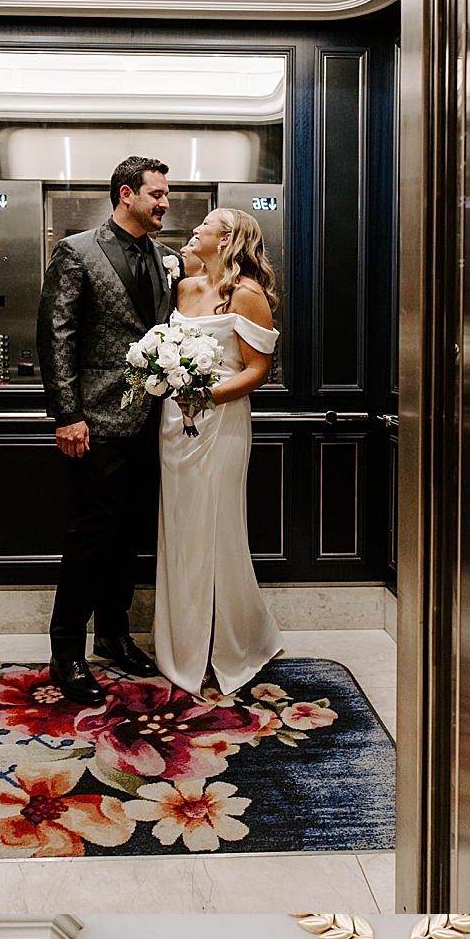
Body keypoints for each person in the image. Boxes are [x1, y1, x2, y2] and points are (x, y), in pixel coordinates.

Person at [38, 155, 180, 706]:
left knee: (130, 536)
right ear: (126, 194)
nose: (165, 203)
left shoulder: (167, 259)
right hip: (94, 420)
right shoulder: (77, 251)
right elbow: (56, 336)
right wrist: (67, 414)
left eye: (166, 195)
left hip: (154, 419)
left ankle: (115, 636)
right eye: (157, 194)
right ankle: (66, 652)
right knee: (92, 536)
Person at [153, 210, 283, 696]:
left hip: (221, 423)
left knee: (217, 527)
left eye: (204, 225)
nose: (194, 230)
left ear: (225, 237)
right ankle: (182, 645)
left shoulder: (246, 294)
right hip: (174, 424)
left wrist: (206, 397)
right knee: (181, 529)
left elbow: (256, 371)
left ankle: (227, 646)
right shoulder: (184, 289)